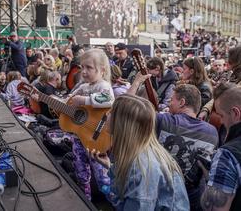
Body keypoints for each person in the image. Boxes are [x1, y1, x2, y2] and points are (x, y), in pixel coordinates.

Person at [129, 75, 218, 211]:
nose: (169, 104)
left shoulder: (163, 121)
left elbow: (124, 111)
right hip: (193, 199)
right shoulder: (212, 132)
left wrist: (135, 83)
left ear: (182, 102)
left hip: (161, 195)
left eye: (172, 100)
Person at [90, 95, 189, 210]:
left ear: (122, 123)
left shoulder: (141, 169)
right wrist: (110, 166)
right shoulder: (143, 153)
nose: (107, 115)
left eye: (112, 112)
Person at [67, 48, 115, 200]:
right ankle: (85, 199)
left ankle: (113, 200)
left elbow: (108, 99)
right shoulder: (83, 86)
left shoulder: (104, 86)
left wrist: (85, 100)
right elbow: (69, 101)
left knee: (102, 176)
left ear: (102, 70)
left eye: (89, 67)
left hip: (96, 138)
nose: (84, 71)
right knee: (81, 172)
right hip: (79, 137)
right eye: (82, 67)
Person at [201, 84, 241, 211]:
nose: (221, 122)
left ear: (235, 113)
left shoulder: (227, 154)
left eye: (221, 116)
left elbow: (215, 207)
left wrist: (210, 175)